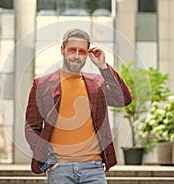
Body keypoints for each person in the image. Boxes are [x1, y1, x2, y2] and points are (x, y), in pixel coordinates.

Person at [25, 29, 132, 184]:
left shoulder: (97, 84)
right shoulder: (41, 85)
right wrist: (49, 159)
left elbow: (124, 99)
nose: (76, 55)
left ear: (87, 54)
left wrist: (103, 67)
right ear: (62, 50)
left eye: (82, 51)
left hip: (93, 168)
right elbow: (31, 127)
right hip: (59, 169)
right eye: (72, 50)